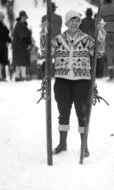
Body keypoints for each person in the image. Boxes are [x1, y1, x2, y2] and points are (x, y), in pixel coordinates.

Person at [40, 10, 106, 157]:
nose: (74, 23)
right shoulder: (58, 39)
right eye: (71, 20)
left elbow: (99, 53)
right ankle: (62, 144)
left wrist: (101, 33)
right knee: (63, 112)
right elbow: (45, 52)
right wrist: (43, 33)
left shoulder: (87, 39)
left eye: (77, 20)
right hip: (62, 80)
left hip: (82, 81)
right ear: (66, 23)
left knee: (82, 113)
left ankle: (84, 145)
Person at [41, 2, 62, 78]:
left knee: (48, 58)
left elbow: (43, 30)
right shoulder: (59, 18)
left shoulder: (44, 17)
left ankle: (48, 73)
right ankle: (56, 73)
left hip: (48, 40)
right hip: (57, 40)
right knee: (57, 58)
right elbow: (59, 28)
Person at [12, 10, 32, 81]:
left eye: (25, 17)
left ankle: (18, 77)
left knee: (19, 62)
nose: (24, 18)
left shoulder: (20, 24)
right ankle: (22, 76)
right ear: (21, 17)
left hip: (19, 46)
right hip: (20, 46)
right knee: (22, 62)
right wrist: (28, 44)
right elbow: (24, 36)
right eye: (23, 17)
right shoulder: (20, 24)